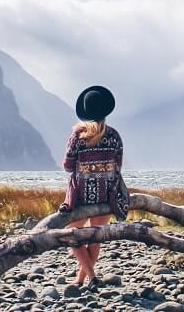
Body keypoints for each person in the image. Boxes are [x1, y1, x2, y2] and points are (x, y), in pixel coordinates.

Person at [59, 85, 129, 288]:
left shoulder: (78, 137)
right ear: (105, 112)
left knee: (74, 236)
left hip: (81, 195)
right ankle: (87, 277)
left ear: (85, 112)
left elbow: (67, 166)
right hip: (106, 194)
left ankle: (88, 277)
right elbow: (118, 165)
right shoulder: (115, 135)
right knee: (95, 238)